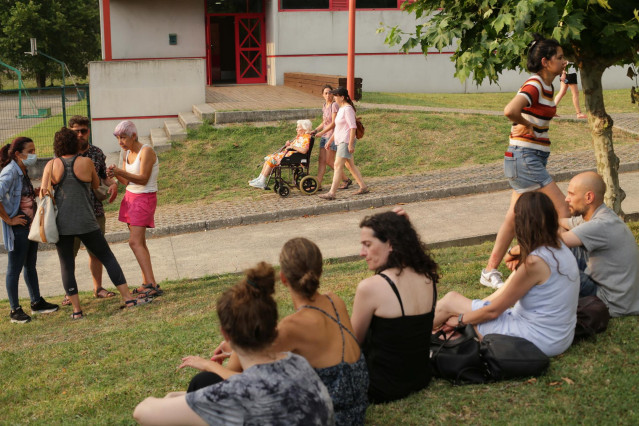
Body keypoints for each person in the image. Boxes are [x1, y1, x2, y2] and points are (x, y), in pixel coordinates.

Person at [182, 238, 368, 425]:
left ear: (284, 278)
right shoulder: (335, 301)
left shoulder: (290, 328)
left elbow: (247, 380)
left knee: (205, 380)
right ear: (320, 270)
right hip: (357, 409)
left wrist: (208, 364)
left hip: (331, 418)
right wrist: (235, 347)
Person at [133, 262, 335, 425]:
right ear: (274, 325)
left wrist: (170, 399)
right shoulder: (298, 364)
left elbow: (142, 412)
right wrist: (179, 399)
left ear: (226, 335)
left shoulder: (237, 391)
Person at [435, 192, 580, 357]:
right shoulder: (559, 247)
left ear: (521, 223)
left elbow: (493, 311)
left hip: (537, 339)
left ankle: (409, 337)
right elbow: (498, 298)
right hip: (559, 337)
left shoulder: (534, 262)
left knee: (449, 304)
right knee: (452, 301)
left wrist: (460, 320)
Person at [480, 35, 570, 289]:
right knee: (562, 211)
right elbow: (510, 110)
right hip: (525, 158)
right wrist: (527, 124)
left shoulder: (546, 85)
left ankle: (489, 271)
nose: (565, 62)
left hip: (528, 157)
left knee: (513, 217)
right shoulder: (534, 84)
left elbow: (542, 110)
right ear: (545, 61)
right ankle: (558, 267)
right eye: (560, 57)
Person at [41, 128, 150, 319]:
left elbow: (43, 191)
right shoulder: (86, 162)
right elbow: (94, 184)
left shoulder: (50, 165)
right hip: (87, 220)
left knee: (66, 265)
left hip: (62, 224)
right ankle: (128, 298)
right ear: (74, 143)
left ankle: (77, 310)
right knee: (107, 257)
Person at [350, 211, 437, 403]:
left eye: (368, 244)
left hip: (381, 387)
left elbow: (352, 344)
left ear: (390, 244)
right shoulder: (427, 277)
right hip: (420, 378)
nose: (362, 253)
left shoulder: (370, 288)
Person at [557, 171, 639, 317]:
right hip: (613, 292)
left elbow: (553, 245)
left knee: (554, 260)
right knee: (561, 251)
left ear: (589, 197)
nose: (566, 199)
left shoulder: (600, 225)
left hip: (610, 302)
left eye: (571, 194)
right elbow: (562, 223)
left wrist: (517, 250)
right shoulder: (599, 215)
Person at [59, 115, 119, 306]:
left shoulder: (96, 153)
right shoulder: (61, 155)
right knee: (69, 256)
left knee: (97, 253)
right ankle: (70, 293)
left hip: (94, 211)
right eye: (76, 131)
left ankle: (98, 288)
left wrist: (113, 184)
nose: (80, 135)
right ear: (70, 132)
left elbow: (103, 178)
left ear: (88, 131)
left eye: (83, 131)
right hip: (70, 214)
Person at [0, 137, 59, 323]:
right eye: (30, 151)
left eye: (34, 150)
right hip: (18, 229)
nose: (34, 155)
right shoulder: (10, 172)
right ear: (18, 154)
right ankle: (15, 310)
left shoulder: (22, 170)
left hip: (29, 226)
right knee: (14, 269)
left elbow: (20, 193)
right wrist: (9, 219)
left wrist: (33, 192)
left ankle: (36, 302)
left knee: (30, 266)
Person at [107, 120, 162, 298]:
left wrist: (120, 172)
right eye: (118, 138)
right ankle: (148, 282)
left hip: (144, 198)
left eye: (123, 137)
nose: (120, 142)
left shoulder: (147, 151)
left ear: (133, 136)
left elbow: (143, 179)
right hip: (130, 197)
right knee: (140, 242)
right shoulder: (126, 153)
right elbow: (128, 182)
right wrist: (115, 176)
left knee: (134, 242)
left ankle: (150, 284)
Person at [319, 87, 368, 200]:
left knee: (337, 165)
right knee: (350, 165)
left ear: (342, 97)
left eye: (336, 95)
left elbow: (352, 127)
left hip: (345, 141)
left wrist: (350, 144)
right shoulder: (341, 109)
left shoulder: (348, 109)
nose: (334, 97)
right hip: (340, 140)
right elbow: (338, 129)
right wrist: (330, 141)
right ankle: (363, 187)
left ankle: (332, 193)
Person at [248, 119, 312, 189]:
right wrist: (289, 144)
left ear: (304, 128)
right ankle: (260, 179)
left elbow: (304, 150)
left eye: (298, 127)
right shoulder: (300, 137)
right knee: (269, 159)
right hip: (288, 155)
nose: (296, 129)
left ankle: (262, 181)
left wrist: (292, 146)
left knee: (272, 159)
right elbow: (295, 147)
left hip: (291, 157)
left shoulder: (306, 138)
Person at [313, 85, 352, 191]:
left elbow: (334, 123)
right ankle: (318, 184)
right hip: (324, 136)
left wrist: (321, 132)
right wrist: (316, 130)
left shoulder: (334, 105)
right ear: (322, 95)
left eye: (330, 93)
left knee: (330, 161)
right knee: (321, 160)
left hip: (332, 136)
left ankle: (346, 179)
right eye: (325, 93)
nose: (328, 95)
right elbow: (324, 122)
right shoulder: (324, 105)